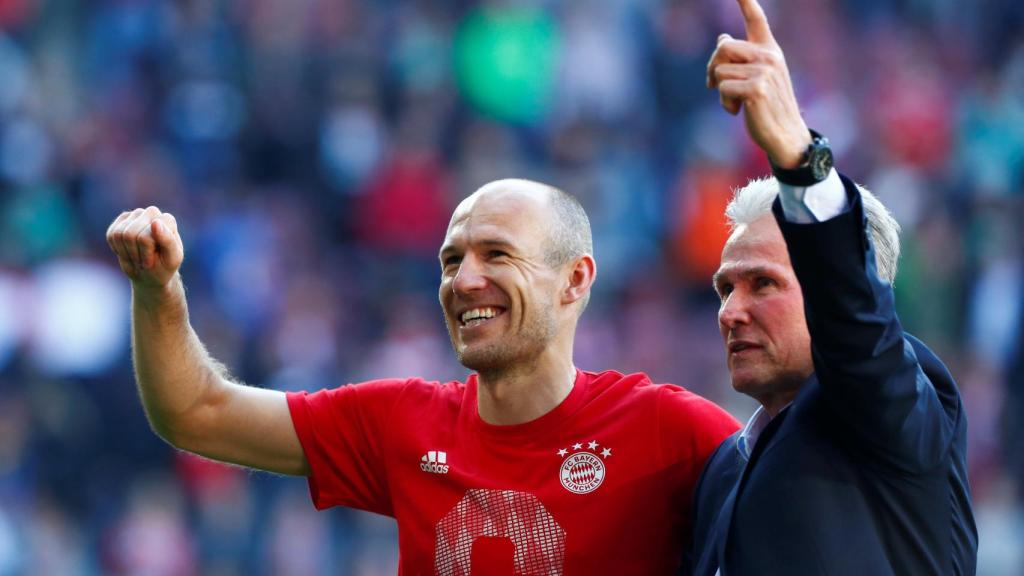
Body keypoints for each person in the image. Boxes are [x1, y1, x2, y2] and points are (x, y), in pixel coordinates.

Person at [106, 176, 740, 573]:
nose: (464, 280)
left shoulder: (670, 430)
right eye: (451, 259)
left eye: (497, 254)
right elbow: (195, 413)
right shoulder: (402, 421)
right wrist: (157, 289)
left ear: (575, 279)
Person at [687, 0, 978, 574]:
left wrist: (799, 160)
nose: (730, 312)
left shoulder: (893, 404)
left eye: (763, 284)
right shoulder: (723, 468)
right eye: (726, 289)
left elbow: (855, 319)